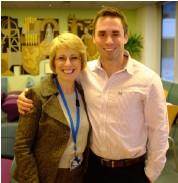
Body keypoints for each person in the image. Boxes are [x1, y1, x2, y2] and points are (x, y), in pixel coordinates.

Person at [17, 7, 169, 183]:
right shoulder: (84, 71)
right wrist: (27, 94)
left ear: (125, 37)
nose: (109, 40)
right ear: (94, 37)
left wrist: (150, 175)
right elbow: (57, 77)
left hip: (132, 172)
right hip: (92, 170)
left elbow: (159, 130)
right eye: (102, 34)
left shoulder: (148, 79)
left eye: (115, 33)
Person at [13, 32, 90, 183]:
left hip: (80, 173)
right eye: (61, 58)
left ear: (82, 61)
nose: (68, 64)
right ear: (54, 62)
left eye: (74, 57)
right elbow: (22, 147)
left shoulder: (85, 92)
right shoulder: (37, 95)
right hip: (47, 175)